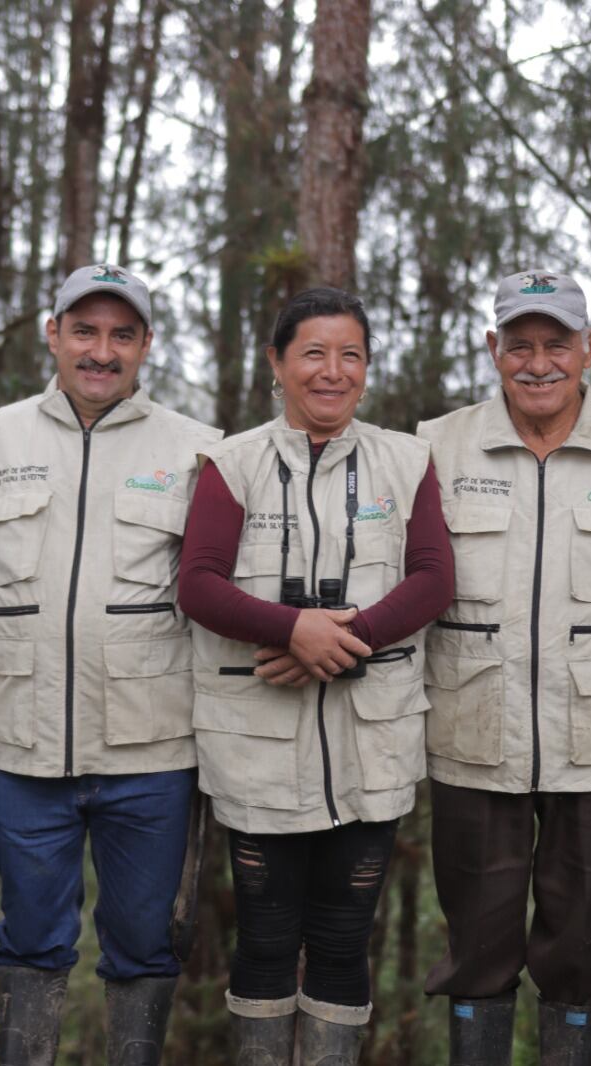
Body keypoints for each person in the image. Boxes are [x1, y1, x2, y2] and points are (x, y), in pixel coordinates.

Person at [178, 287, 452, 1065]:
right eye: (313, 353)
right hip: (258, 749)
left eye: (350, 355)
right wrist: (290, 627)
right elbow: (198, 583)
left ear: (367, 366)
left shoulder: (407, 461)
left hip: (372, 747)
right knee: (264, 937)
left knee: (343, 937)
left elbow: (433, 579)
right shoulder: (232, 465)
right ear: (277, 363)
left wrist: (345, 638)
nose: (332, 372)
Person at [0, 263, 221, 1066]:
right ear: (53, 334)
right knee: (31, 940)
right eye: (84, 331)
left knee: (144, 944)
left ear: (146, 345)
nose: (100, 351)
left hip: (151, 751)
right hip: (23, 745)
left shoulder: (198, 449)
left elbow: (214, 597)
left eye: (121, 335)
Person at [416, 270, 591, 1065]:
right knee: (479, 950)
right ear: (493, 350)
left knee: (582, 957)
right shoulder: (434, 445)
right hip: (470, 737)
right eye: (518, 344)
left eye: (556, 343)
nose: (537, 363)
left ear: (589, 347)